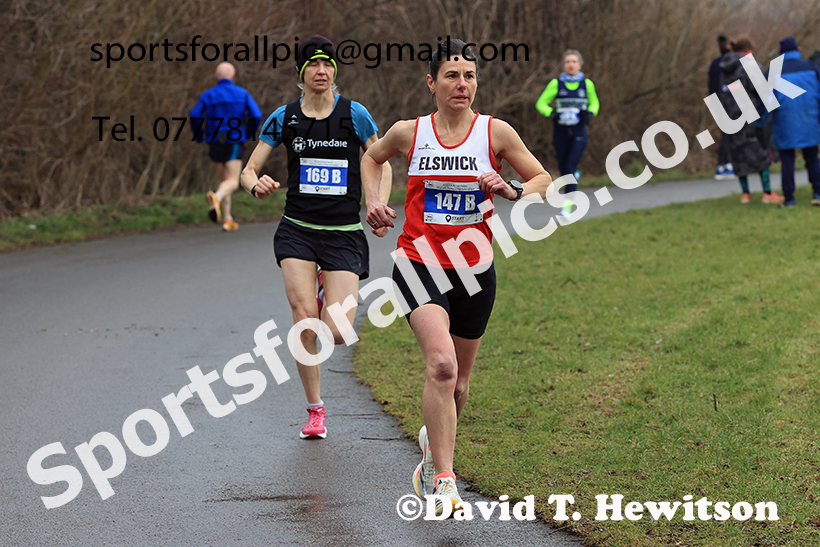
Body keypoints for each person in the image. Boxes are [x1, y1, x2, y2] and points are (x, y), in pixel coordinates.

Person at [361, 39, 552, 514]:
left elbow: (544, 180)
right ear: (431, 83)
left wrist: (509, 188)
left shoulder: (496, 132)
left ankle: (432, 453)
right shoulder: (410, 132)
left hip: (474, 270)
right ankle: (445, 478)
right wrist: (372, 202)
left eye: (468, 76)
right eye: (451, 75)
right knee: (442, 366)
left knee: (460, 384)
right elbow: (372, 158)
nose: (461, 84)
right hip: (418, 262)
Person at [239, 36, 392, 439]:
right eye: (313, 65)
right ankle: (315, 409)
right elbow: (247, 170)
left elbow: (383, 162)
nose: (321, 71)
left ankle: (327, 292)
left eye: (328, 65)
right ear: (301, 73)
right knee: (304, 320)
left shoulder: (355, 115)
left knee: (336, 332)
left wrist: (376, 204)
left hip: (343, 232)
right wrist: (256, 185)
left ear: (335, 72)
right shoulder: (284, 117)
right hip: (298, 230)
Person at [190, 62, 263, 231]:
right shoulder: (242, 94)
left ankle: (228, 219)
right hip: (233, 140)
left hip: (214, 140)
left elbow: (194, 114)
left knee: (224, 180)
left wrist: (199, 135)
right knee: (232, 181)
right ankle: (217, 197)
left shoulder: (208, 95)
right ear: (233, 76)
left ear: (216, 77)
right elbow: (256, 114)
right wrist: (248, 132)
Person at [717, 36, 783, 204]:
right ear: (748, 50)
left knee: (738, 155)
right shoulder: (750, 65)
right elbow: (764, 93)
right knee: (761, 153)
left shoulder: (724, 68)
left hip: (731, 116)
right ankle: (767, 193)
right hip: (751, 116)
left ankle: (745, 194)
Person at [535, 49, 599, 217]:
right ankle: (573, 176)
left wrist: (590, 113)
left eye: (574, 61)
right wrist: (551, 113)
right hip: (560, 132)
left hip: (579, 131)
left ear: (580, 64)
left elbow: (595, 103)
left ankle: (567, 207)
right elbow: (541, 103)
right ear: (564, 65)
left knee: (570, 168)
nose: (571, 65)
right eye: (568, 62)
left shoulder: (587, 84)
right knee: (564, 169)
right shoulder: (556, 84)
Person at [765, 38, 820, 208]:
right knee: (812, 157)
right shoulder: (812, 68)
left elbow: (767, 102)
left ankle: (789, 198)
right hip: (809, 118)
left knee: (787, 160)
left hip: (785, 120)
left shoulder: (772, 72)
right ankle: (817, 193)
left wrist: (760, 123)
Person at [709, 35, 736, 180]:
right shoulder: (732, 63)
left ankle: (724, 163)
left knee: (726, 133)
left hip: (717, 102)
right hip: (730, 102)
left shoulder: (714, 64)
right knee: (729, 134)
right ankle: (723, 164)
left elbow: (711, 87)